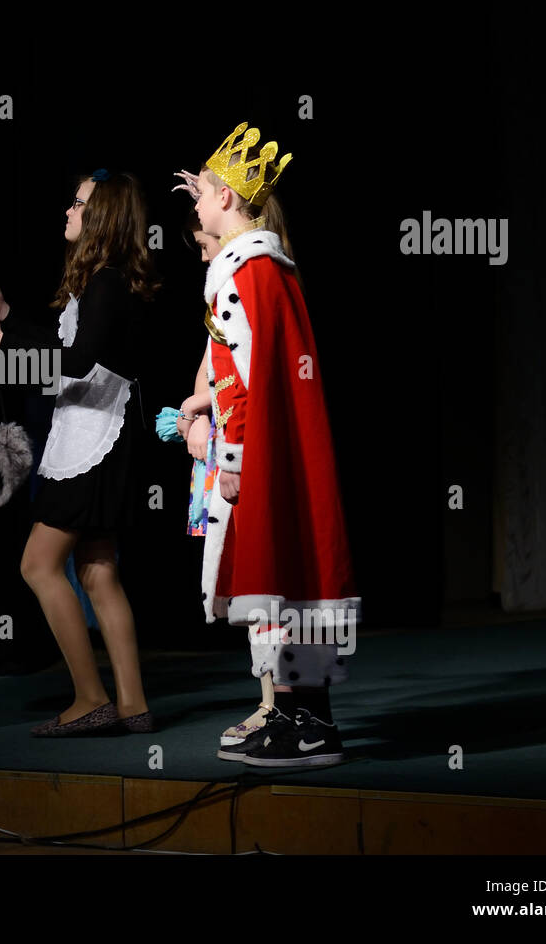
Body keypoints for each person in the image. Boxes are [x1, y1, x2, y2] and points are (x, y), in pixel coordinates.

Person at [172, 122, 358, 767]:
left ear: (227, 199)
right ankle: (295, 714)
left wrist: (233, 456)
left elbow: (244, 377)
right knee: (290, 569)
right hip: (281, 450)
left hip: (261, 453)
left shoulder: (242, 272)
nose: (193, 204)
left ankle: (306, 723)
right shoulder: (267, 268)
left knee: (277, 569)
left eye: (202, 193)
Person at [0, 169, 160, 736]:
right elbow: (68, 350)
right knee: (98, 571)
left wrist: (3, 343)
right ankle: (131, 704)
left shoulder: (106, 281)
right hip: (98, 434)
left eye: (77, 203)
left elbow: (75, 364)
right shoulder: (104, 281)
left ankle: (90, 697)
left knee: (37, 563)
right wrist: (11, 321)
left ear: (100, 214)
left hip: (94, 440)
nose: (68, 211)